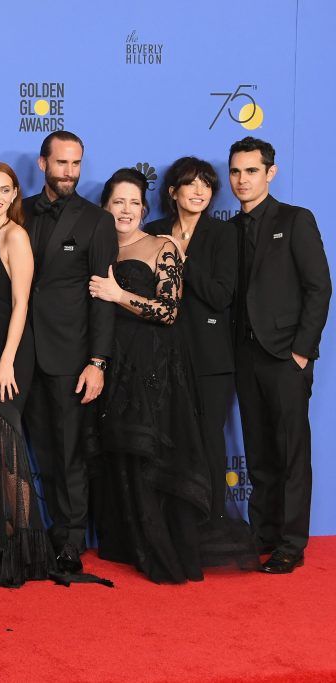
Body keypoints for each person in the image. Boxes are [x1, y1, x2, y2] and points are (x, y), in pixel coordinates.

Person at [89, 169, 255, 583]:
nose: (125, 210)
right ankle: (128, 540)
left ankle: (159, 544)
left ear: (144, 210)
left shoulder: (162, 246)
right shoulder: (98, 248)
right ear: (105, 207)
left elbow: (168, 311)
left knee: (151, 450)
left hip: (153, 364)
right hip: (113, 360)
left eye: (133, 203)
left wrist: (118, 294)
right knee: (121, 447)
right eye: (118, 202)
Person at [228, 137, 331, 573]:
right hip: (245, 357)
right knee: (258, 451)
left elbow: (319, 288)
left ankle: (291, 542)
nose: (241, 180)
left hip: (286, 357)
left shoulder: (295, 220)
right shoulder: (229, 230)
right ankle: (263, 533)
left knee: (290, 452)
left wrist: (301, 353)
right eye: (235, 172)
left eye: (251, 171)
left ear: (270, 173)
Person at [21, 131, 117, 573]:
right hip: (18, 354)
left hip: (69, 356)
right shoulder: (16, 209)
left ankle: (70, 542)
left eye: (76, 164)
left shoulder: (96, 221)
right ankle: (21, 539)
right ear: (43, 164)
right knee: (23, 451)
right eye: (61, 163)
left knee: (68, 453)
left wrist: (97, 361)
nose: (70, 172)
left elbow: (103, 296)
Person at [0, 161, 58, 587]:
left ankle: (21, 549)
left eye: (5, 190)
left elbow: (21, 304)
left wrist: (6, 359)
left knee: (9, 451)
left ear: (16, 194)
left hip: (10, 355)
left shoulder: (15, 236)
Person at [145, 157, 240, 537]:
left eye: (206, 184)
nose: (200, 191)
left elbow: (221, 295)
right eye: (191, 183)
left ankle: (212, 522)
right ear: (173, 191)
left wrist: (181, 259)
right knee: (166, 439)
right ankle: (169, 524)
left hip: (210, 358)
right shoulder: (152, 232)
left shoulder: (222, 235)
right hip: (162, 352)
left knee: (207, 440)